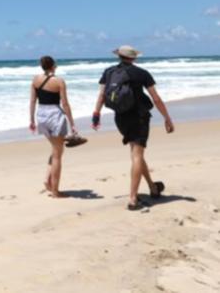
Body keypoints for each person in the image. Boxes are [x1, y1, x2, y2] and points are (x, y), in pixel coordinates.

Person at [91, 45, 175, 210]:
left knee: (136, 153)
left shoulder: (109, 72)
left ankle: (152, 187)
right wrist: (167, 118)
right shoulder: (141, 73)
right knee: (137, 155)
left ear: (119, 56)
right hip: (139, 117)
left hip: (120, 117)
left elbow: (102, 95)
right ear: (134, 57)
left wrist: (96, 114)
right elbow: (156, 98)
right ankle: (132, 199)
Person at [29, 55, 78, 197]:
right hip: (55, 114)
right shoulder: (59, 82)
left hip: (41, 114)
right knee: (57, 154)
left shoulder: (35, 80)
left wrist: (32, 120)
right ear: (53, 66)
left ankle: (47, 180)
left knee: (55, 149)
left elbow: (32, 101)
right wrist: (72, 124)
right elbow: (65, 104)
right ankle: (55, 191)